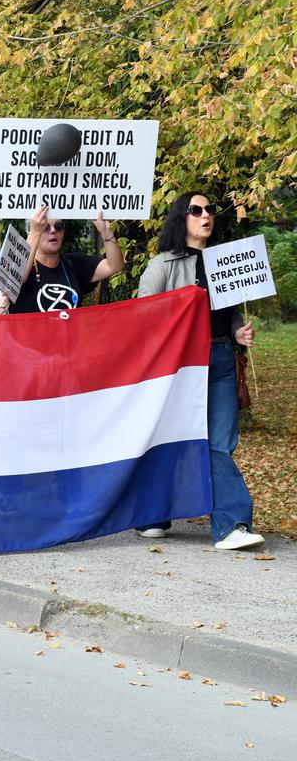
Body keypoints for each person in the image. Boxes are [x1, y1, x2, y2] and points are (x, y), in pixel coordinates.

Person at [135, 192, 263, 551]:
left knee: (220, 443)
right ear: (182, 218)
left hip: (222, 357)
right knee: (174, 440)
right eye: (196, 210)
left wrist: (239, 331)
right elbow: (144, 316)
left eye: (209, 209)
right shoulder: (163, 265)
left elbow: (230, 311)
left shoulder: (224, 263)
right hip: (182, 366)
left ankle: (230, 524)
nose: (205, 215)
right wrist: (178, 307)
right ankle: (153, 514)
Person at [12, 207, 124, 313]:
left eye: (58, 226)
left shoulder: (74, 263)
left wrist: (106, 232)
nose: (53, 231)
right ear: (30, 232)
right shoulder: (19, 265)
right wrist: (35, 232)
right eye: (45, 227)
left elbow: (114, 266)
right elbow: (16, 279)